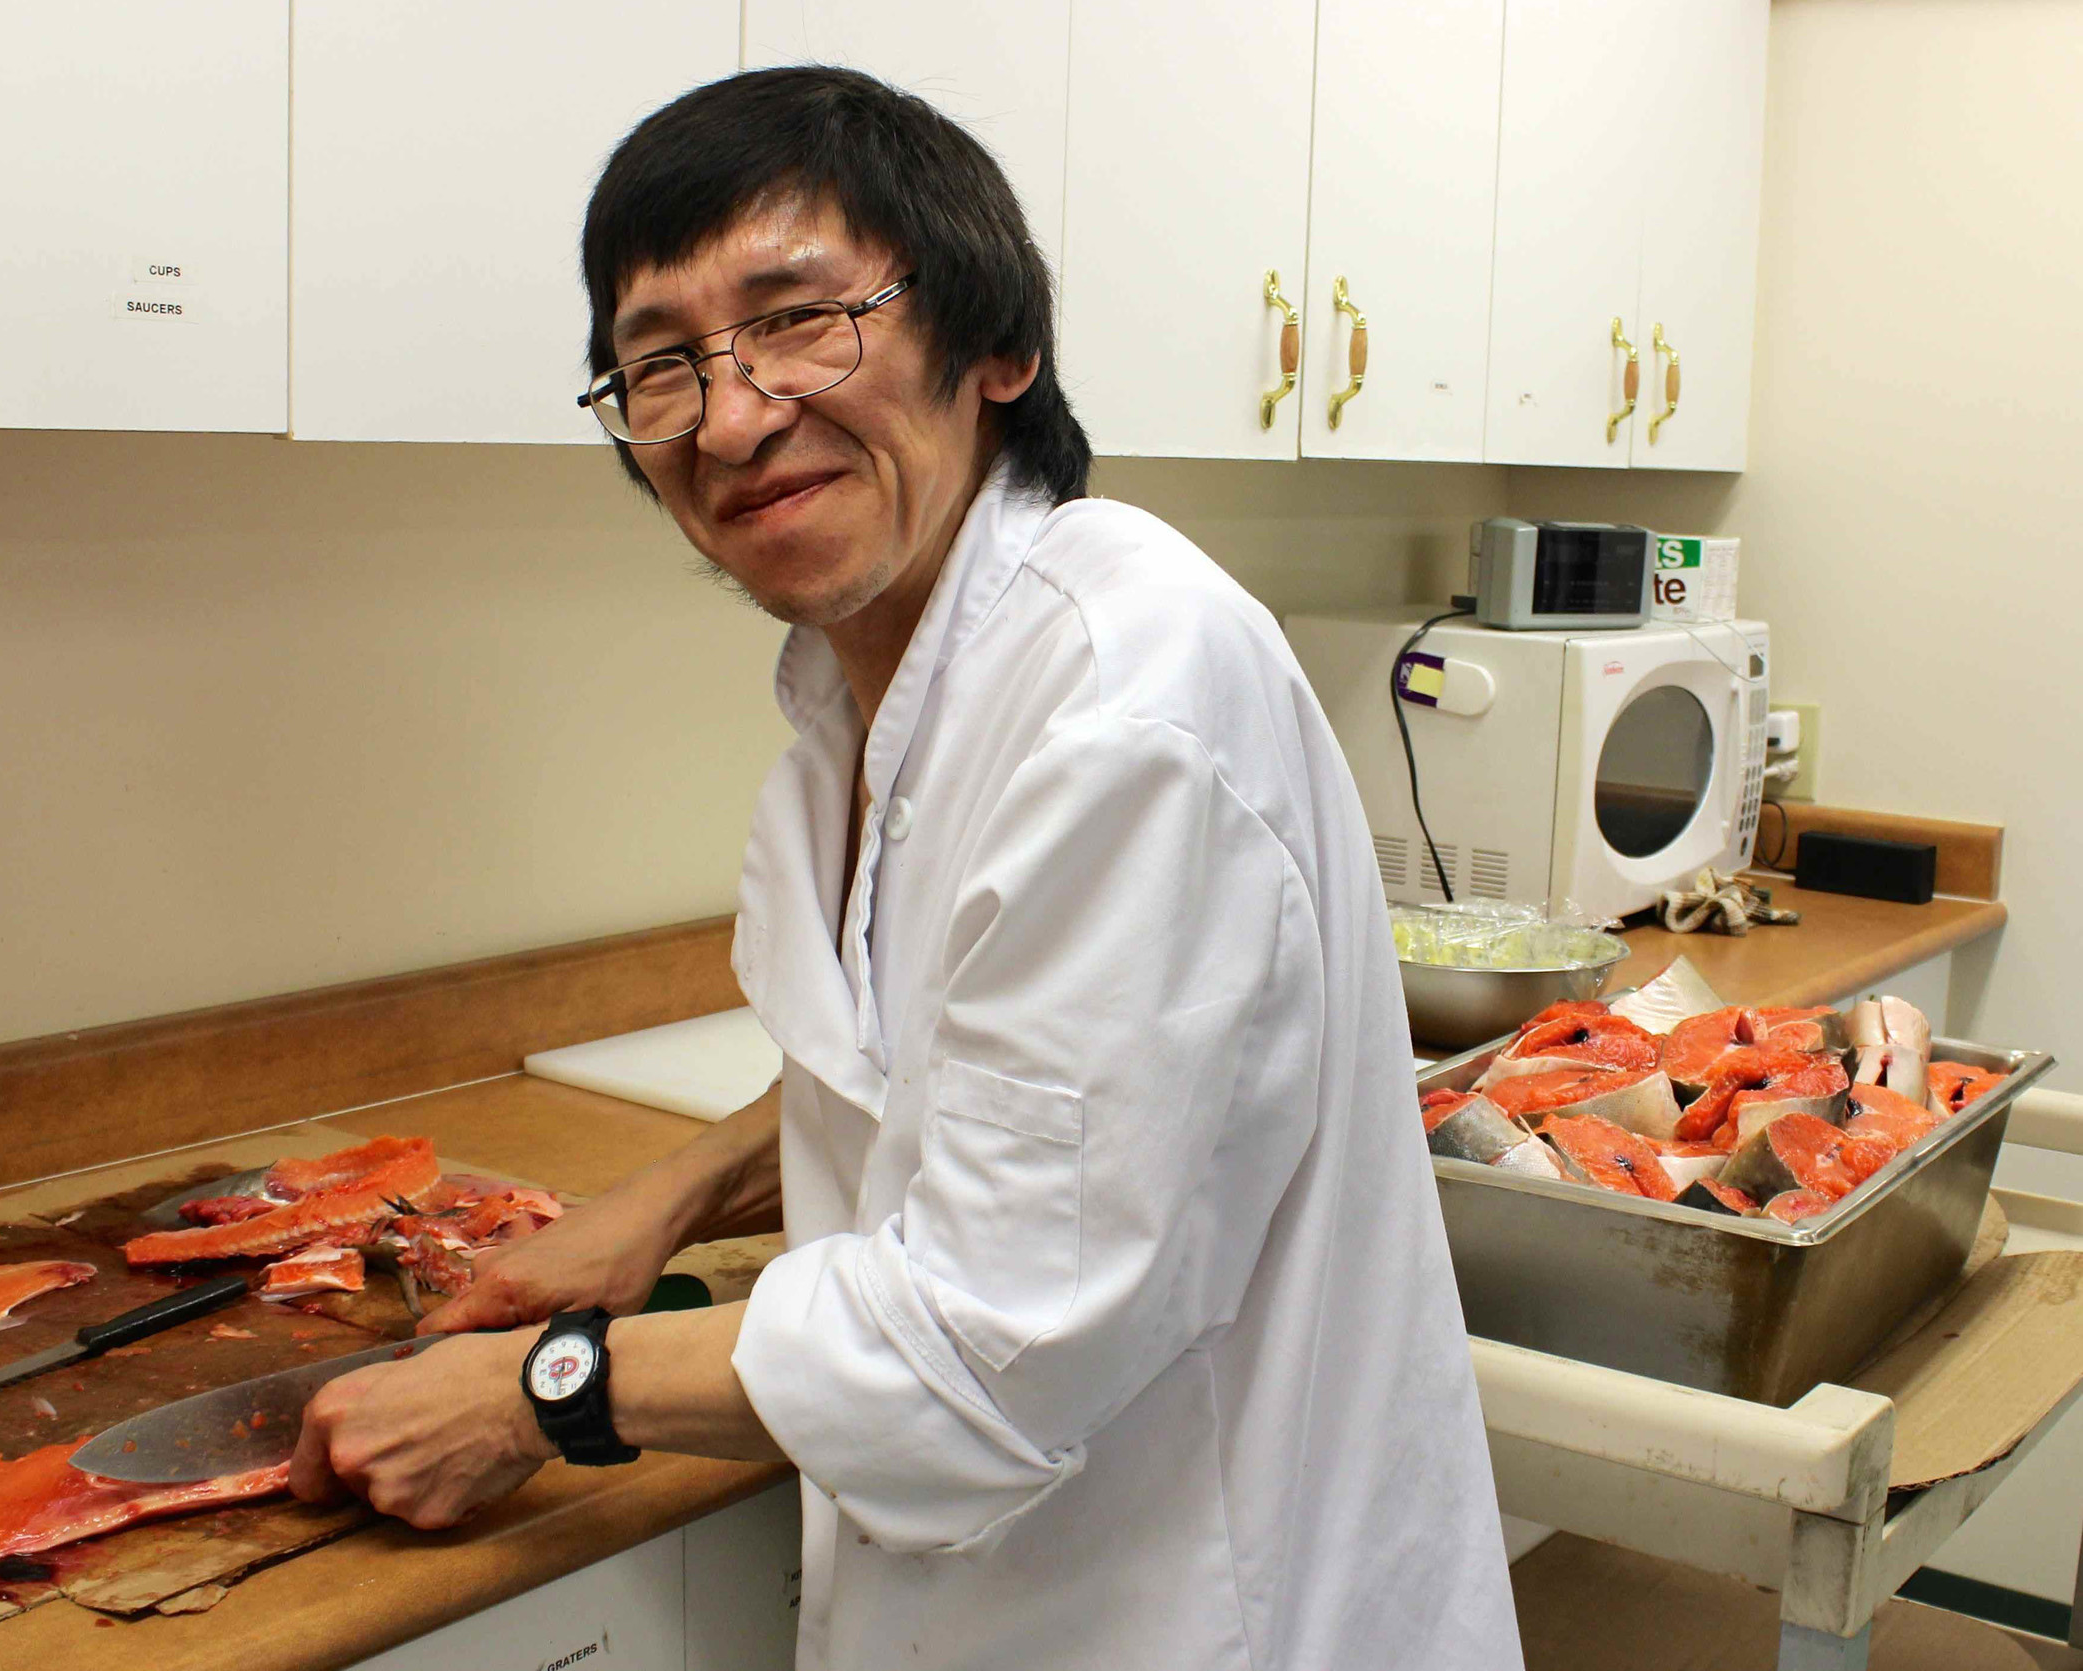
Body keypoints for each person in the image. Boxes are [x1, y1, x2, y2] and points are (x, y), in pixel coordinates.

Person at [292, 65, 1524, 1671]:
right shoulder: (880, 686)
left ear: (996, 345)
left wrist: (546, 1396)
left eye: (803, 319)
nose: (732, 416)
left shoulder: (1123, 701)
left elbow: (988, 1344)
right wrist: (669, 1198)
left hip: (1196, 1612)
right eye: (661, 363)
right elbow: (963, 1075)